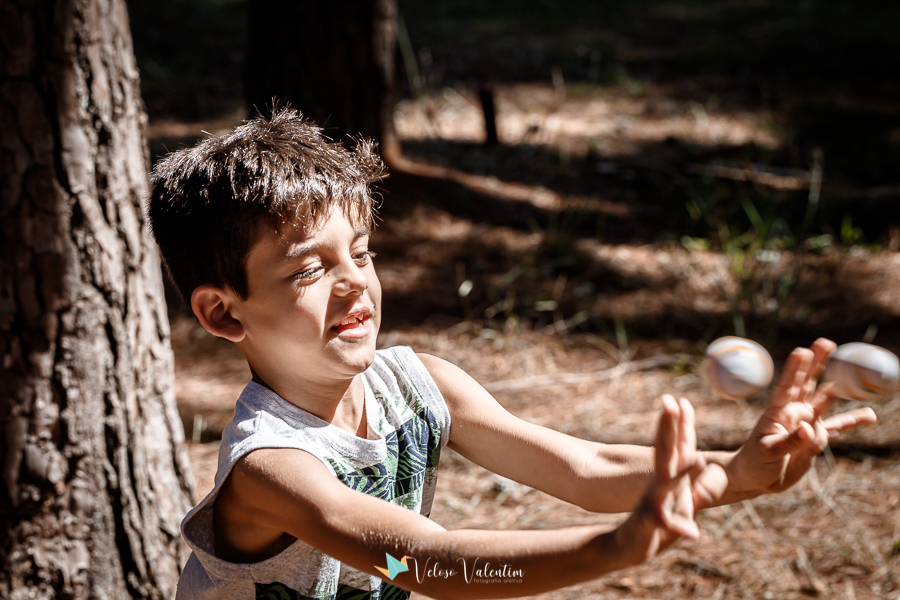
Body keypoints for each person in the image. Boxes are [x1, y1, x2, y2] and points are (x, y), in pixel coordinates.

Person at [148, 107, 877, 600]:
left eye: (362, 253)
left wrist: (738, 472)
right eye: (310, 269)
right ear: (223, 312)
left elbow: (585, 467)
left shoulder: (419, 386)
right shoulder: (271, 467)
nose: (354, 283)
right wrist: (612, 548)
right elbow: (424, 564)